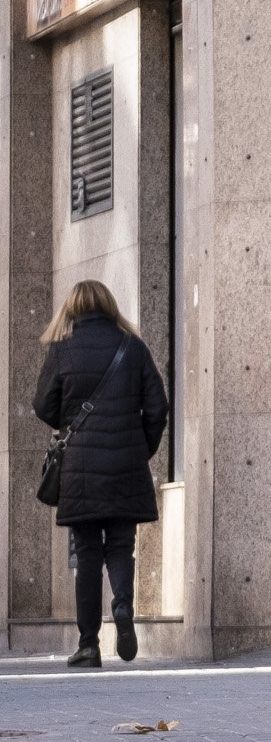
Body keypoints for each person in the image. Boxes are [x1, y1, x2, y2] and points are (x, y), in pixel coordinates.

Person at [32, 281, 170, 670]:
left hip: (80, 469)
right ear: (109, 306)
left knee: (88, 552)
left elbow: (43, 405)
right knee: (121, 546)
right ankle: (123, 605)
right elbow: (158, 407)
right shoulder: (132, 346)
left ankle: (88, 644)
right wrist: (141, 448)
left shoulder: (63, 349)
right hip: (126, 463)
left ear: (72, 309)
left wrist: (72, 424)